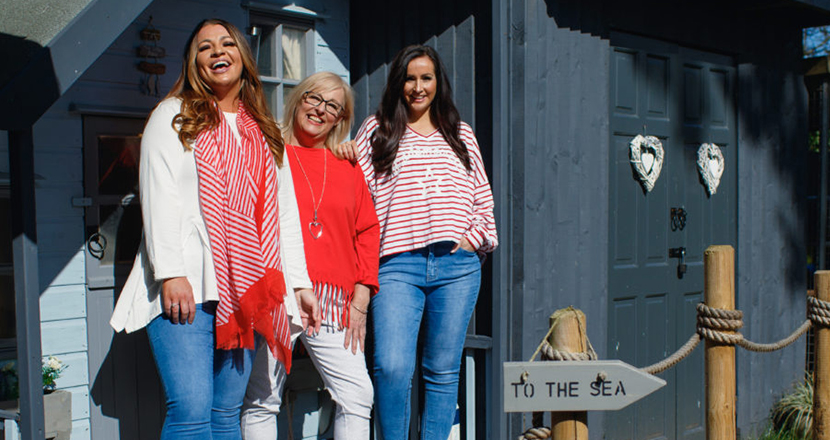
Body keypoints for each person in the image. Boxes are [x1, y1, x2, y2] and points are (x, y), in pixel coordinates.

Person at [110, 18, 320, 440]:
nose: (217, 53)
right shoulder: (173, 116)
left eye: (226, 44)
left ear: (243, 57)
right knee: (189, 410)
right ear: (194, 63)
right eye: (205, 48)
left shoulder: (263, 131)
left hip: (245, 289)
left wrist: (298, 283)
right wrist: (170, 272)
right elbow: (159, 195)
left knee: (226, 413)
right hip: (187, 282)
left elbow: (283, 214)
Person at [334, 45, 498, 440]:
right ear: (398, 83)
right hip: (395, 265)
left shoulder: (460, 133)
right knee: (391, 366)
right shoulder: (378, 129)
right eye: (410, 78)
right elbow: (356, 199)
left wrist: (470, 241)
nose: (418, 86)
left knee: (442, 371)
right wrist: (340, 153)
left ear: (438, 82)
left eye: (426, 78)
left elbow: (483, 202)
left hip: (456, 266)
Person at [242, 72, 379, 439]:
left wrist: (362, 295)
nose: (319, 110)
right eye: (313, 98)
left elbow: (368, 230)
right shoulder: (268, 152)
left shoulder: (347, 165)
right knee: (263, 398)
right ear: (298, 99)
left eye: (332, 105)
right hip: (278, 293)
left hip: (334, 300)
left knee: (357, 394)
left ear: (340, 118)